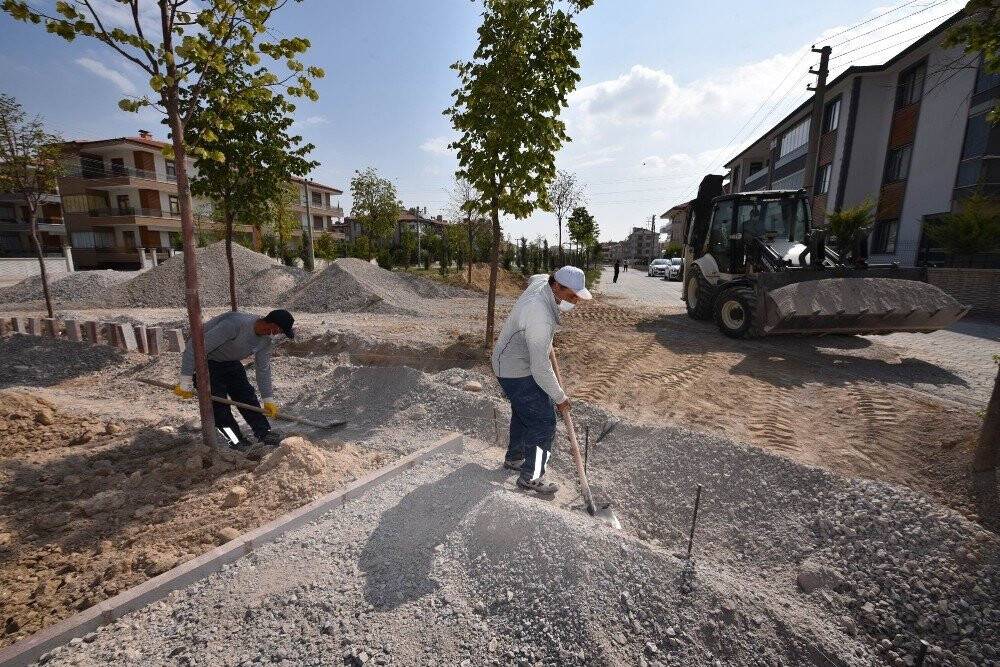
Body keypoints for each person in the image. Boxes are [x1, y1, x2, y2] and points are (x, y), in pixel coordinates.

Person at [491, 266, 591, 494]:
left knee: (524, 410)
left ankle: (515, 458)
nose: (575, 300)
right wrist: (560, 398)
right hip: (515, 368)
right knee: (544, 421)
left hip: (508, 360)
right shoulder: (540, 316)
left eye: (578, 295)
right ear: (556, 286)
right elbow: (540, 367)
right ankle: (531, 478)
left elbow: (534, 276)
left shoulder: (543, 282)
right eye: (572, 295)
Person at [174, 309, 294, 452]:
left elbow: (263, 370)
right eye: (279, 329)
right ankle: (235, 440)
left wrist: (268, 399)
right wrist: (185, 381)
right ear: (272, 323)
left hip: (230, 362)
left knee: (247, 397)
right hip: (206, 363)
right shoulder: (234, 325)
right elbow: (194, 348)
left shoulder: (265, 341)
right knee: (219, 409)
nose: (278, 333)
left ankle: (264, 433)